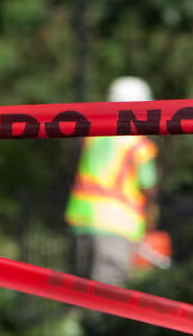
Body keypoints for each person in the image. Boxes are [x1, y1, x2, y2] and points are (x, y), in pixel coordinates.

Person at [65, 76, 160, 286]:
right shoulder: (137, 142)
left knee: (76, 293)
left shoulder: (95, 133)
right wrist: (151, 218)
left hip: (81, 220)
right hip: (115, 224)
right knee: (107, 298)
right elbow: (148, 186)